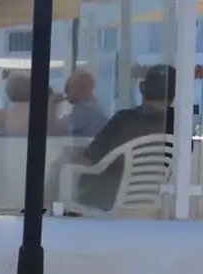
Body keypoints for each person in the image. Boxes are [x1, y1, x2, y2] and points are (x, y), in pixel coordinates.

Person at [73, 65, 175, 211]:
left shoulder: (123, 120)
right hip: (155, 204)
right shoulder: (179, 127)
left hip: (109, 202)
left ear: (142, 88)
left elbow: (88, 157)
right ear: (173, 95)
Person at [58, 70, 109, 138]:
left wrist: (51, 104)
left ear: (76, 86)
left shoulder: (85, 109)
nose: (66, 93)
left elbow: (54, 130)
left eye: (68, 88)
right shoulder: (97, 106)